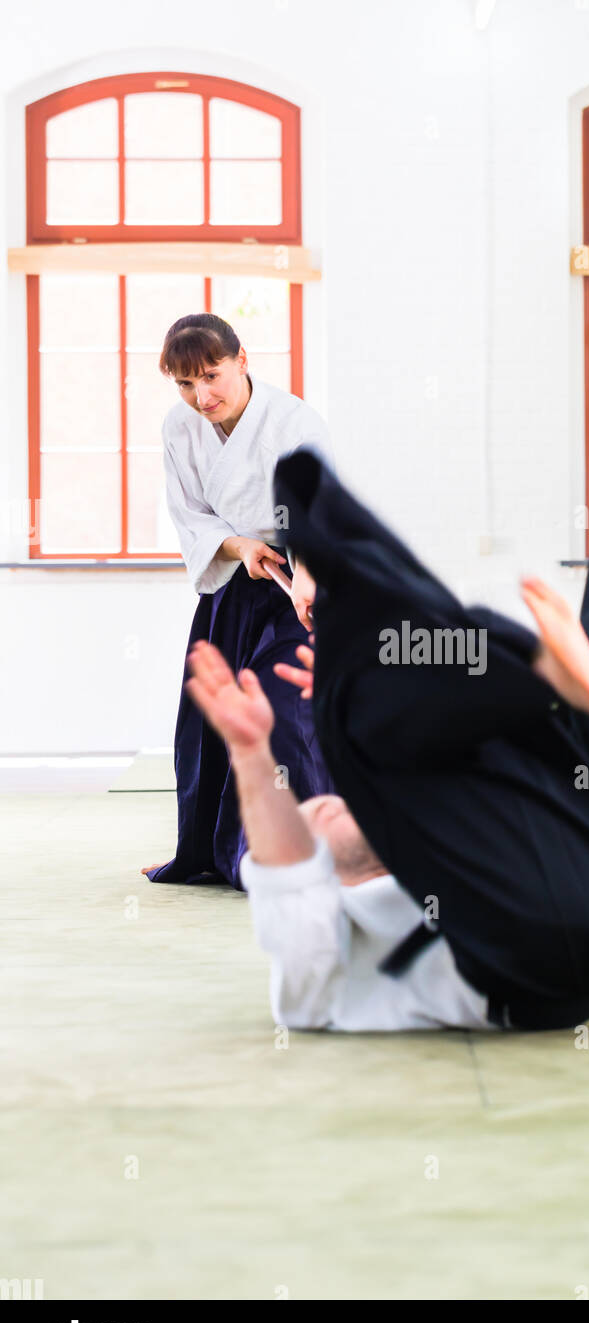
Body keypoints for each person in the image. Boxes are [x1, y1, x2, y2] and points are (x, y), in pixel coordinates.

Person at [184, 393, 589, 1029]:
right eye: (315, 818)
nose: (323, 804)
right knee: (354, 708)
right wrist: (253, 753)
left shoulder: (429, 834)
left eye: (314, 803)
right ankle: (485, 659)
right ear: (321, 878)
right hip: (524, 954)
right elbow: (283, 871)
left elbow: (307, 844)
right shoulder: (317, 982)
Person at [141, 313, 335, 891]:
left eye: (211, 376)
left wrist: (307, 575)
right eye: (184, 383)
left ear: (242, 360)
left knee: (280, 713)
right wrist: (239, 544)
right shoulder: (179, 428)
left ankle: (292, 854)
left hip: (300, 584)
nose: (201, 396)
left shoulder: (295, 421)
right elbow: (189, 514)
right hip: (231, 585)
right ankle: (206, 851)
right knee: (209, 716)